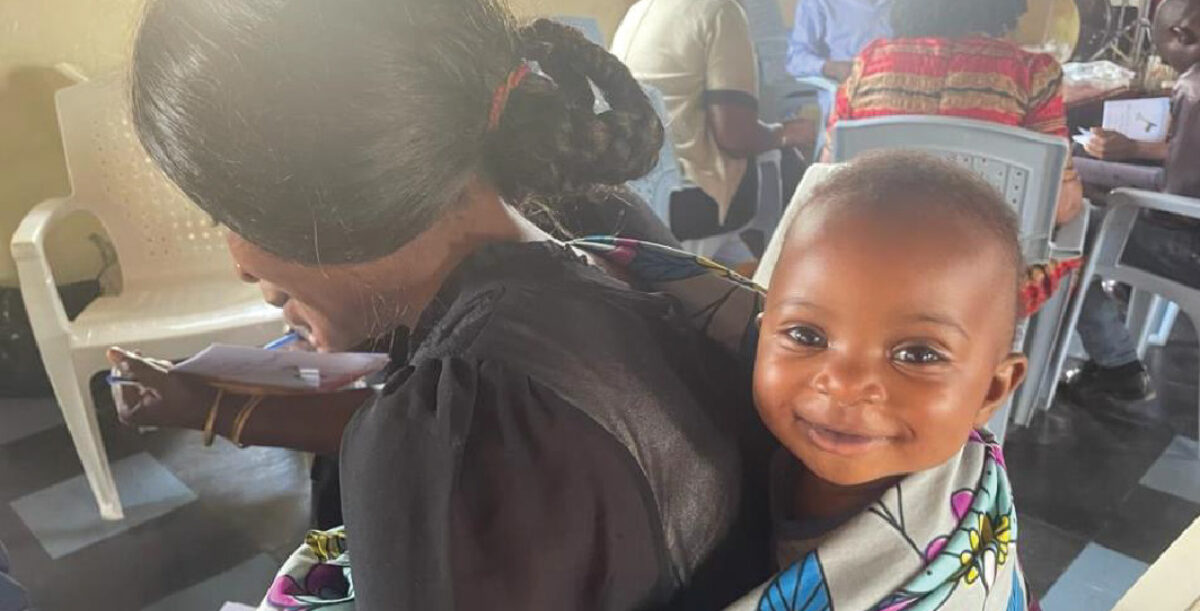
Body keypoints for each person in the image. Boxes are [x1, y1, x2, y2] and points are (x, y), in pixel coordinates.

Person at [113, 1, 774, 608]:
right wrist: (213, 407)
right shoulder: (605, 232)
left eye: (225, 210)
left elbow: (454, 443)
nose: (238, 263)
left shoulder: (456, 439)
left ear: (324, 205)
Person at [728, 152, 1032, 610]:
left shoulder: (950, 557)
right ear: (760, 334)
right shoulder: (729, 435)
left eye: (918, 354)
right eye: (806, 335)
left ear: (992, 391)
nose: (846, 383)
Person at [822, 0, 1084, 226]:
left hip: (876, 265)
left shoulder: (870, 64)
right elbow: (1060, 207)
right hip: (989, 275)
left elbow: (827, 178)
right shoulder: (1033, 73)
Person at [1060, 0, 1200, 419]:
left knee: (1073, 228)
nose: (1160, 59)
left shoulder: (1193, 90)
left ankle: (1116, 365)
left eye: (1159, 47)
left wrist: (1077, 166)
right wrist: (1133, 150)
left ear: (1183, 34)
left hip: (1184, 245)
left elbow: (1174, 194)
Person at [612, 0, 814, 268]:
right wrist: (786, 134)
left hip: (637, 190)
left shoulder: (641, 9)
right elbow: (735, 137)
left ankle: (749, 275)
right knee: (793, 167)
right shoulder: (721, 12)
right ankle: (783, 277)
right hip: (693, 202)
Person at [787, 0, 894, 82]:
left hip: (901, 92)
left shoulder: (906, 4)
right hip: (850, 96)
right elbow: (795, 59)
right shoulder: (818, 3)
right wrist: (832, 68)